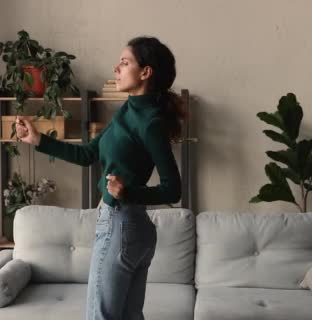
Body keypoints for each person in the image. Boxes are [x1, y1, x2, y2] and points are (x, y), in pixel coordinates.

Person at [15, 36, 188, 320]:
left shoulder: (150, 123)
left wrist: (128, 192)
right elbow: (88, 154)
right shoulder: (128, 110)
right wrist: (38, 140)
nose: (116, 68)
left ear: (145, 73)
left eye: (125, 62)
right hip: (129, 227)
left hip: (122, 224)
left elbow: (173, 189)